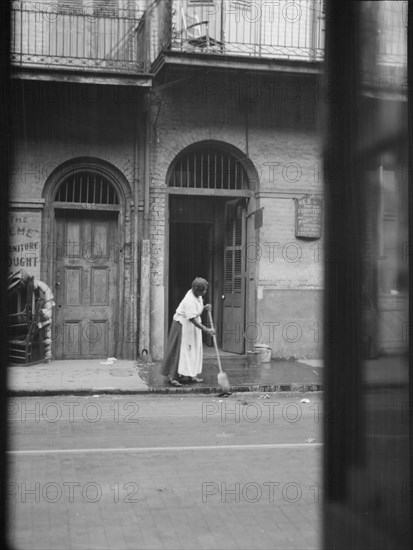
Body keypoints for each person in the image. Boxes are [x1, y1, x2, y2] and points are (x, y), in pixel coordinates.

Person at [162, 277, 215, 386]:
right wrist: (206, 329)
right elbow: (191, 319)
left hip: (192, 327)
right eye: (203, 290)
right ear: (196, 289)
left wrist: (205, 308)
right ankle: (173, 377)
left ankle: (192, 375)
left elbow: (197, 310)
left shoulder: (197, 295)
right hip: (182, 326)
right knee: (180, 351)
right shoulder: (189, 300)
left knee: (193, 350)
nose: (205, 292)